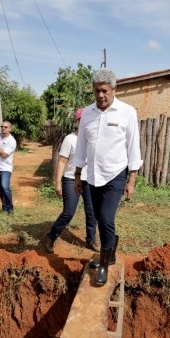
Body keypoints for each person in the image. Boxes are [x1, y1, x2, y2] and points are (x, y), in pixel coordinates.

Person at [73, 68, 143, 286]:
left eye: (104, 91)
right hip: (91, 175)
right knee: (95, 217)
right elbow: (82, 145)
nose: (101, 95)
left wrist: (132, 179)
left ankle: (103, 264)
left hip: (115, 175)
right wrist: (77, 173)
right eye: (96, 91)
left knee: (105, 218)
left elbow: (133, 146)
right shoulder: (87, 114)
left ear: (114, 89)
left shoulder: (127, 112)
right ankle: (109, 255)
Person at [44, 108, 98, 254]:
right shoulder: (70, 139)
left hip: (90, 180)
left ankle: (91, 239)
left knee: (92, 212)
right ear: (77, 121)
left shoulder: (94, 139)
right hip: (70, 179)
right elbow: (61, 161)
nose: (84, 122)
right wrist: (57, 183)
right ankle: (51, 237)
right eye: (81, 120)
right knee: (68, 212)